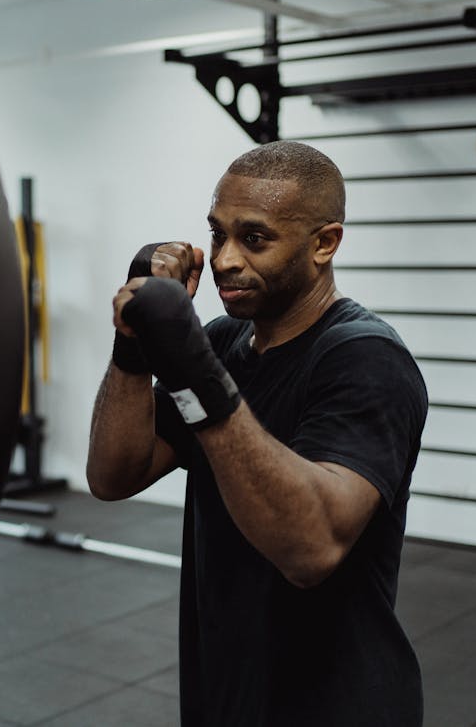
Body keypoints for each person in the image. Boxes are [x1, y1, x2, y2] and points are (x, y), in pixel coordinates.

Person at [87, 140, 426, 726]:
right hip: (225, 688)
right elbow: (114, 475)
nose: (223, 261)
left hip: (336, 706)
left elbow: (311, 547)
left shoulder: (365, 359)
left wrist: (199, 376)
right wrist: (134, 349)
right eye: (217, 235)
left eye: (255, 239)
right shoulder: (223, 342)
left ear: (325, 243)